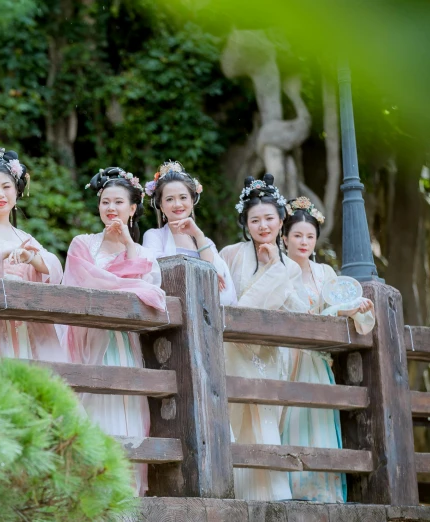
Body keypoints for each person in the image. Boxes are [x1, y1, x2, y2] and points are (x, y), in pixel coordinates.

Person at [62, 167, 166, 496]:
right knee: (92, 406)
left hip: (126, 345)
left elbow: (150, 288)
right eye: (105, 202)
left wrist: (129, 247)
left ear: (133, 208)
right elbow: (83, 282)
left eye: (118, 202)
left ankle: (129, 491)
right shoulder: (83, 244)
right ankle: (92, 488)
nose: (111, 209)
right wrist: (127, 282)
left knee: (129, 407)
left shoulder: (144, 252)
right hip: (90, 341)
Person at [220, 174, 309, 501]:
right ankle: (230, 492)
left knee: (263, 415)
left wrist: (276, 269)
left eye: (269, 218)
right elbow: (224, 297)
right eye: (254, 219)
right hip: (233, 348)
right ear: (245, 222)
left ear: (281, 219)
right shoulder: (231, 254)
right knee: (234, 413)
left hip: (269, 354)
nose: (262, 225)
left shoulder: (290, 266)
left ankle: (271, 496)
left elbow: (298, 309)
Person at [280, 196, 375, 503]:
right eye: (297, 235)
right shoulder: (278, 272)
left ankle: (323, 490)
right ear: (284, 237)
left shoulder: (327, 275)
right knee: (293, 416)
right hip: (290, 356)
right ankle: (293, 486)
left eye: (310, 236)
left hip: (320, 360)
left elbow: (343, 307)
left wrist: (357, 308)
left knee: (320, 417)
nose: (304, 242)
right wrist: (339, 312)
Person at [0, 147, 65, 361]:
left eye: (6, 186)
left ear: (17, 191)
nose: (0, 194)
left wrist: (30, 258)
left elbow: (54, 268)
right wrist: (2, 255)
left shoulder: (23, 237)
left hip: (24, 326)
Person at [142, 159, 236, 305]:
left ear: (192, 201)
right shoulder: (154, 236)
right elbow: (157, 272)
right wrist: (202, 273)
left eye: (183, 197)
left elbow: (217, 278)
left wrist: (198, 235)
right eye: (169, 199)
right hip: (170, 308)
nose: (177, 204)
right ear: (160, 205)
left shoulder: (205, 242)